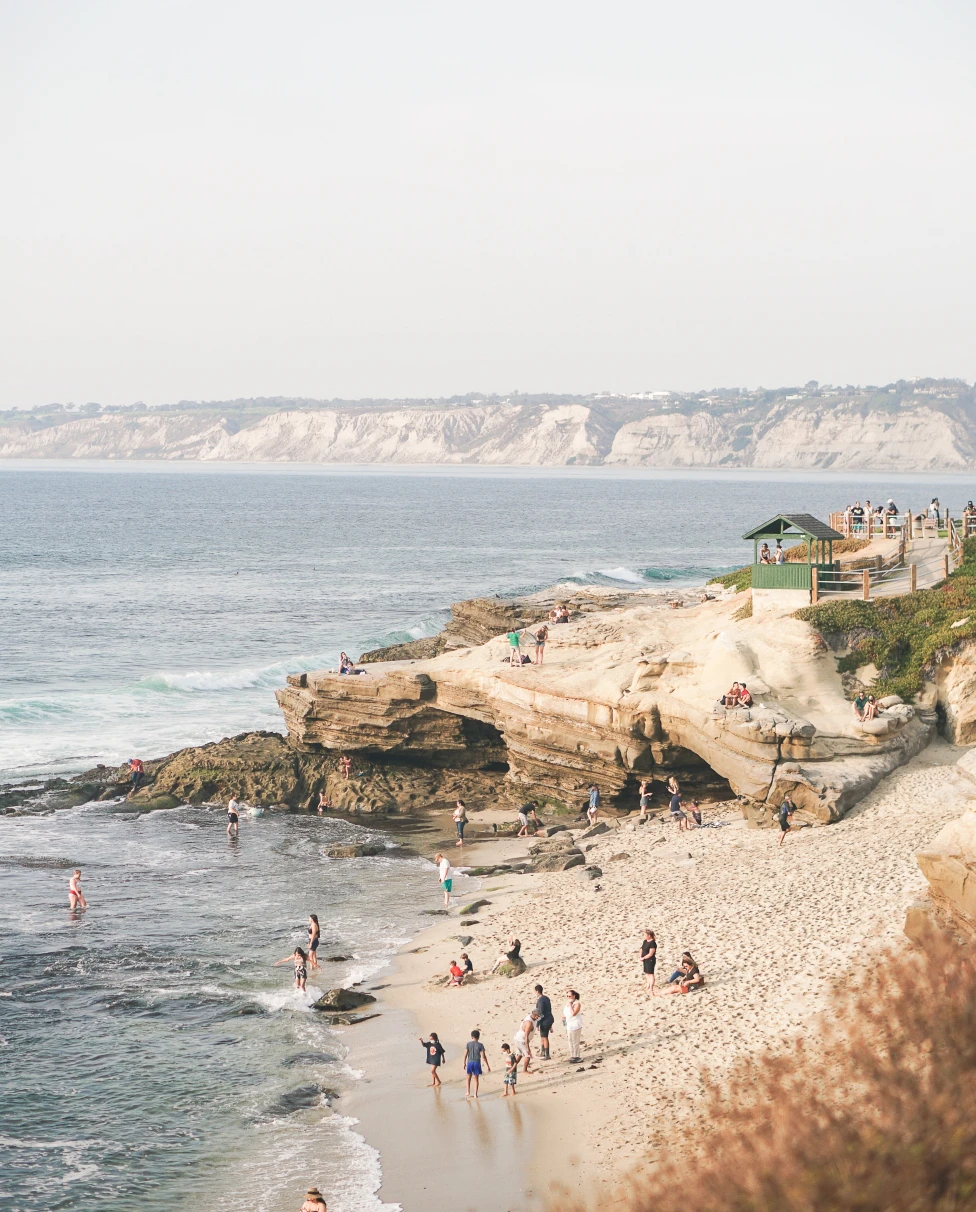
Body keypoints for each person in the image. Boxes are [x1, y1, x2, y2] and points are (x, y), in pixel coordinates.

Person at [464, 1029, 490, 1097]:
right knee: (476, 1078)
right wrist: (488, 1066)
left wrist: (464, 1062)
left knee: (468, 1077)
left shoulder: (468, 1044)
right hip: (477, 1062)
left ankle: (467, 1091)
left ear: (471, 1037)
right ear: (478, 1037)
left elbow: (465, 1054)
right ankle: (475, 1094)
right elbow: (483, 1056)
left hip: (469, 1062)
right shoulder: (480, 1045)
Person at [534, 984, 554, 1059]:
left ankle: (547, 1054)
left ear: (537, 991)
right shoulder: (546, 998)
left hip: (545, 1020)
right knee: (542, 1036)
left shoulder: (541, 1000)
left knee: (544, 1037)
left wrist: (537, 1024)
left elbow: (540, 1012)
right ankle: (542, 1052)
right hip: (549, 1019)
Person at [564, 990, 583, 1062]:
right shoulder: (568, 1004)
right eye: (567, 996)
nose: (568, 997)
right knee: (570, 1041)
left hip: (576, 1025)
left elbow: (574, 1013)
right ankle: (572, 1055)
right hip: (569, 1024)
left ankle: (577, 1056)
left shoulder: (577, 1004)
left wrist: (570, 1005)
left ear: (574, 996)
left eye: (570, 996)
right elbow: (566, 1013)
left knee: (575, 1041)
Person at [640, 929, 657, 994]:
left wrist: (643, 957)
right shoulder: (645, 941)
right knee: (647, 973)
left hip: (650, 960)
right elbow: (641, 949)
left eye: (645, 935)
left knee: (651, 974)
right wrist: (640, 957)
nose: (644, 936)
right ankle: (648, 985)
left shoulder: (653, 943)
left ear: (649, 935)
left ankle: (651, 987)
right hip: (645, 959)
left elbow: (651, 953)